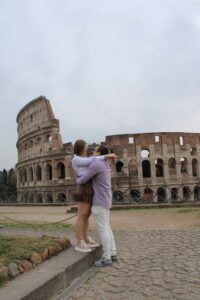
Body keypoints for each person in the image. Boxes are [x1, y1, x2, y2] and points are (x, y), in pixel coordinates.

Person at [72, 140, 116, 253]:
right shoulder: (76, 159)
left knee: (86, 216)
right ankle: (79, 241)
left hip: (90, 187)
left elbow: (93, 163)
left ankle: (85, 238)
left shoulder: (87, 159)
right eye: (85, 146)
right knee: (81, 215)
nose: (87, 148)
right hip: (84, 187)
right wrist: (106, 156)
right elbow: (92, 160)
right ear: (80, 147)